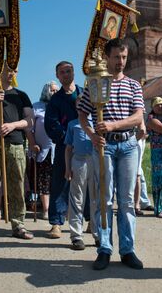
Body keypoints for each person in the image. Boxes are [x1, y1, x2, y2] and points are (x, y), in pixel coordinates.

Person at [78, 38, 145, 271]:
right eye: (117, 57)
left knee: (126, 200)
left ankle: (127, 250)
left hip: (127, 145)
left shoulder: (134, 85)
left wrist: (113, 125)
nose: (121, 61)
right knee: (104, 198)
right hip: (103, 147)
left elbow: (138, 117)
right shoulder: (95, 84)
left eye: (124, 57)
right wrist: (92, 135)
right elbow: (83, 115)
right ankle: (104, 248)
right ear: (107, 57)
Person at [0, 64, 35, 243]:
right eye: (8, 70)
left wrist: (13, 125)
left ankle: (18, 224)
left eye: (15, 70)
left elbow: (30, 120)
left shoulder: (22, 96)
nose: (11, 74)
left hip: (16, 144)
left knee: (17, 185)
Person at [44, 61, 83, 239]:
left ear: (74, 72)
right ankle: (56, 223)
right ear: (58, 76)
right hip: (64, 146)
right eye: (62, 72)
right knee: (60, 183)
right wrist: (67, 138)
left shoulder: (85, 93)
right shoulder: (55, 100)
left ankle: (89, 220)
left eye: (69, 71)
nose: (66, 74)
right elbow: (51, 124)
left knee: (87, 183)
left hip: (86, 144)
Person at [64, 97, 98, 250]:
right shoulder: (73, 125)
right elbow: (68, 148)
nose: (82, 109)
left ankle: (98, 234)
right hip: (78, 161)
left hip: (95, 160)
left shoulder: (97, 122)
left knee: (96, 198)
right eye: (79, 106)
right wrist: (67, 168)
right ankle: (76, 236)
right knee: (77, 198)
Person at [26, 81, 59, 220]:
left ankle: (57, 209)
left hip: (59, 149)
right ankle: (46, 209)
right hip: (42, 150)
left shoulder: (60, 106)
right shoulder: (36, 107)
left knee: (57, 180)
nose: (55, 93)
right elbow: (29, 128)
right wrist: (32, 143)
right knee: (44, 180)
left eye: (57, 90)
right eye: (52, 90)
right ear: (46, 91)